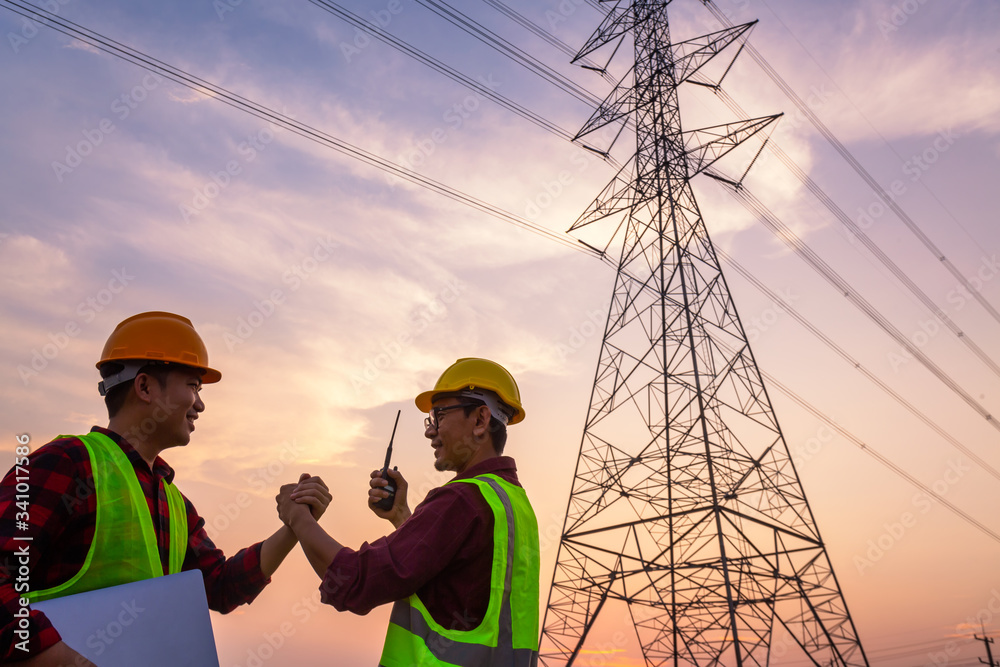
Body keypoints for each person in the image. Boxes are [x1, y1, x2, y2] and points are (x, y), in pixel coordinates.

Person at [0, 311, 330, 665]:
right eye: (193, 386)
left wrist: (295, 526)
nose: (200, 404)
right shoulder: (66, 465)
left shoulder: (174, 503)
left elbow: (218, 586)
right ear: (144, 387)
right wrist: (62, 658)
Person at [276, 357, 540, 666]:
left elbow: (359, 581)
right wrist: (403, 516)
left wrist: (298, 517)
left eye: (439, 415)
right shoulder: (515, 504)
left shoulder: (461, 500)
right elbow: (454, 584)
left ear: (480, 420)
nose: (431, 431)